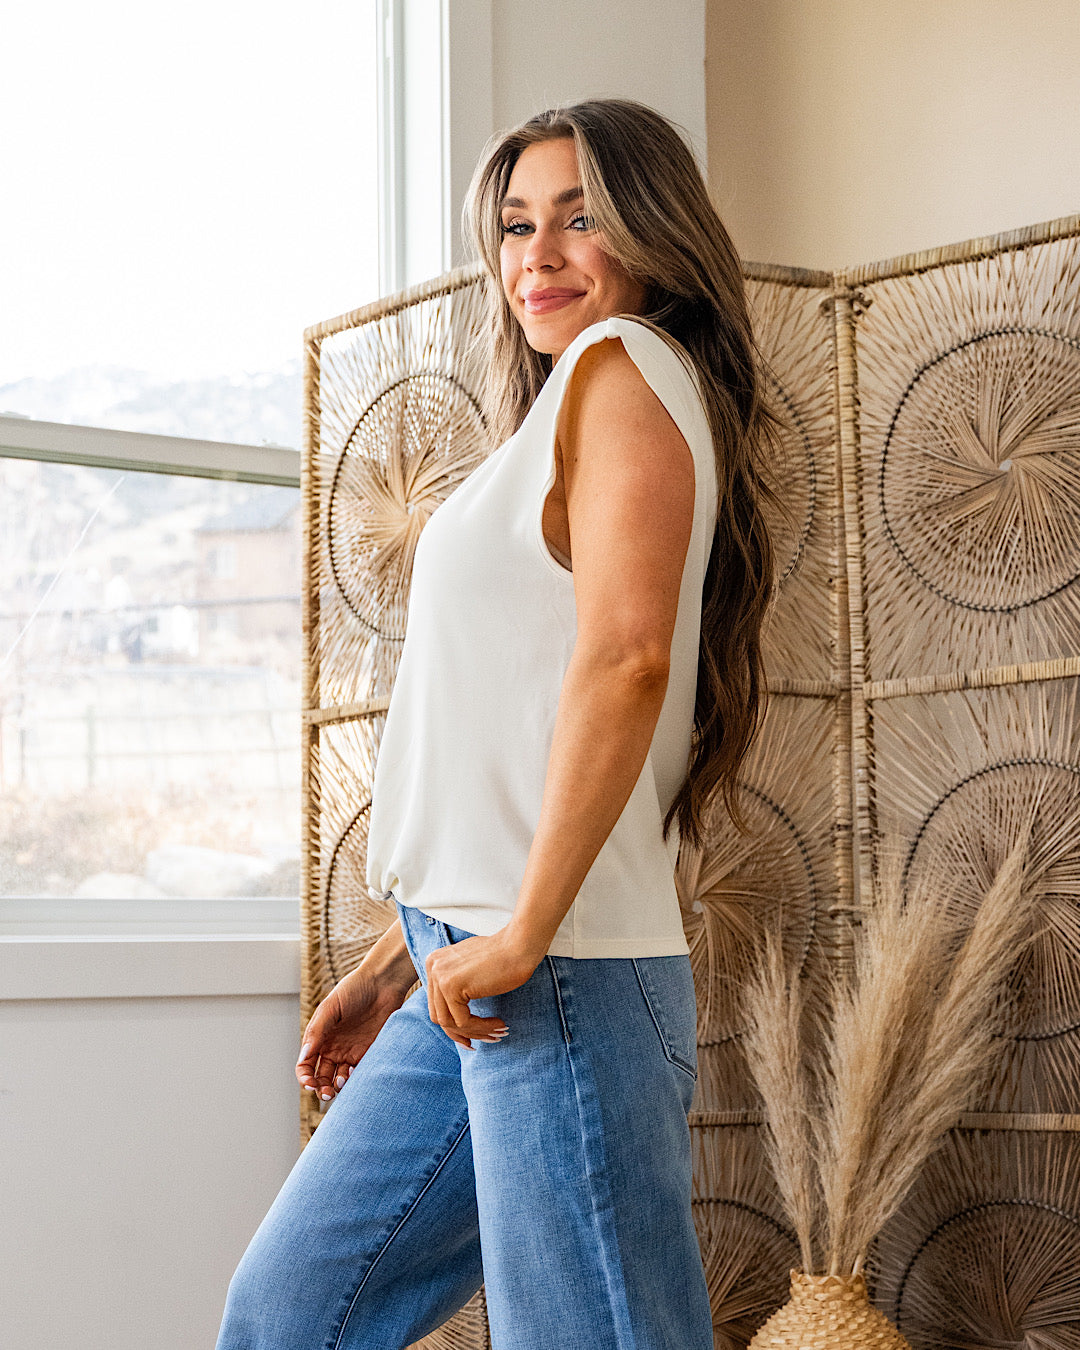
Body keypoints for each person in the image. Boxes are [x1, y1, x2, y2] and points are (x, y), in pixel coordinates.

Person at [216, 96, 785, 1350]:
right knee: (290, 1310)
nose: (540, 254)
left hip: (557, 966)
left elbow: (626, 661)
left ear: (654, 232)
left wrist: (524, 930)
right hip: (470, 964)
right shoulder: (557, 415)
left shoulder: (624, 368)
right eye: (518, 225)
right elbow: (506, 726)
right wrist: (399, 957)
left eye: (582, 218)